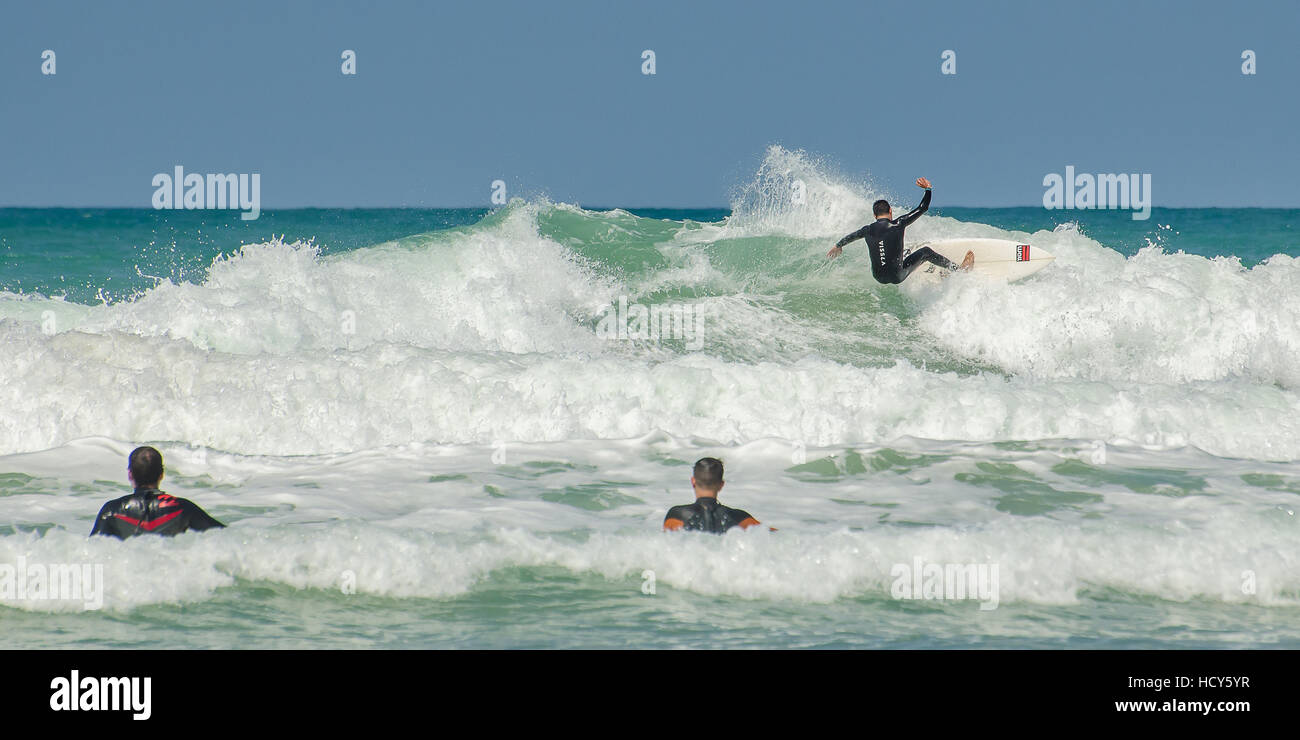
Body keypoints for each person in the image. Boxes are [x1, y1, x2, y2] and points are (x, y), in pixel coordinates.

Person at [827, 177, 973, 284]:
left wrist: (838, 245)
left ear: (874, 215)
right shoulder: (899, 223)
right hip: (897, 276)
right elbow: (923, 208)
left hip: (879, 277)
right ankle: (958, 270)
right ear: (890, 211)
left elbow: (851, 237)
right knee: (926, 252)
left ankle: (911, 258)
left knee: (901, 254)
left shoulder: (867, 230)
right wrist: (928, 189)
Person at [90, 446, 225, 539]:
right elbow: (225, 535)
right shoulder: (183, 508)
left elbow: (93, 549)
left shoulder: (112, 510)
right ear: (161, 474)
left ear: (130, 474)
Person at [663, 457, 760, 534]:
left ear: (693, 481)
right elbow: (771, 534)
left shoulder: (676, 515)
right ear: (721, 485)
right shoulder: (739, 517)